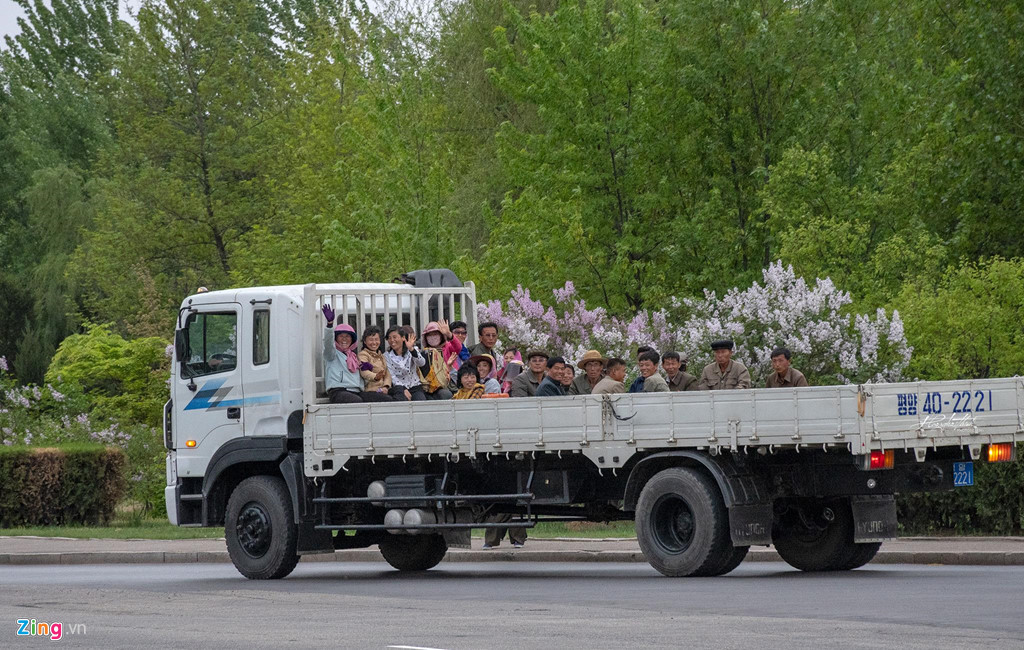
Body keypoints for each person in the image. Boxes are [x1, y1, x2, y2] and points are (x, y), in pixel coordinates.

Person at [321, 305, 391, 403]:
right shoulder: (332, 354)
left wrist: (364, 367)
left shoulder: (353, 356)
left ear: (352, 340)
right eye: (341, 336)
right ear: (335, 339)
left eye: (348, 336)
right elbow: (328, 343)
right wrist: (329, 325)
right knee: (356, 402)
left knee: (385, 399)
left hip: (356, 391)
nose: (344, 339)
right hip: (338, 391)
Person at [384, 325, 427, 401]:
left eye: (394, 337)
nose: (392, 340)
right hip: (399, 388)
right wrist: (403, 389)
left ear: (403, 338)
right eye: (389, 338)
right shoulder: (386, 356)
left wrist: (411, 349)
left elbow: (422, 363)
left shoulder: (412, 350)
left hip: (415, 386)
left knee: (420, 402)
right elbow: (392, 376)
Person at [419, 320, 457, 400]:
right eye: (430, 335)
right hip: (427, 387)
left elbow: (458, 347)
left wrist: (449, 334)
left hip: (445, 385)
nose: (433, 337)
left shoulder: (448, 347)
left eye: (435, 334)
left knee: (445, 394)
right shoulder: (423, 353)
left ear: (441, 336)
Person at [357, 326, 394, 400]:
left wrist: (386, 386)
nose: (374, 343)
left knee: (399, 390)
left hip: (383, 389)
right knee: (388, 399)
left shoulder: (381, 355)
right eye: (371, 340)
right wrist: (375, 376)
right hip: (370, 390)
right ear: (365, 341)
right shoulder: (363, 355)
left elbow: (387, 373)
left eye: (376, 339)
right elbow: (364, 372)